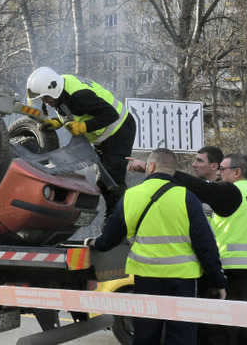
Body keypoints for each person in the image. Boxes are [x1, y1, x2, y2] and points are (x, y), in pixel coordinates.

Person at [128, 153, 247, 345]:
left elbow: (196, 186)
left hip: (232, 277)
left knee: (217, 333)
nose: (219, 174)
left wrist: (157, 169)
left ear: (237, 172)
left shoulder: (232, 191)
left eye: (222, 169)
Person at [88, 148, 226, 345]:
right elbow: (206, 246)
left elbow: (110, 237)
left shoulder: (131, 196)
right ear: (172, 170)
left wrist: (97, 244)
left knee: (146, 335)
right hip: (183, 280)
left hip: (147, 278)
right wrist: (217, 281)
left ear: (151, 166)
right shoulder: (188, 198)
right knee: (181, 336)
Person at [26, 67, 137, 216]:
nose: (45, 102)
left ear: (52, 89)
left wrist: (84, 127)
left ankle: (121, 226)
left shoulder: (79, 97)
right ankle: (113, 222)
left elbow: (111, 114)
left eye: (45, 97)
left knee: (112, 182)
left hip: (119, 130)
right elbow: (70, 110)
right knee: (103, 182)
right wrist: (58, 122)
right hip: (104, 136)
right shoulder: (60, 88)